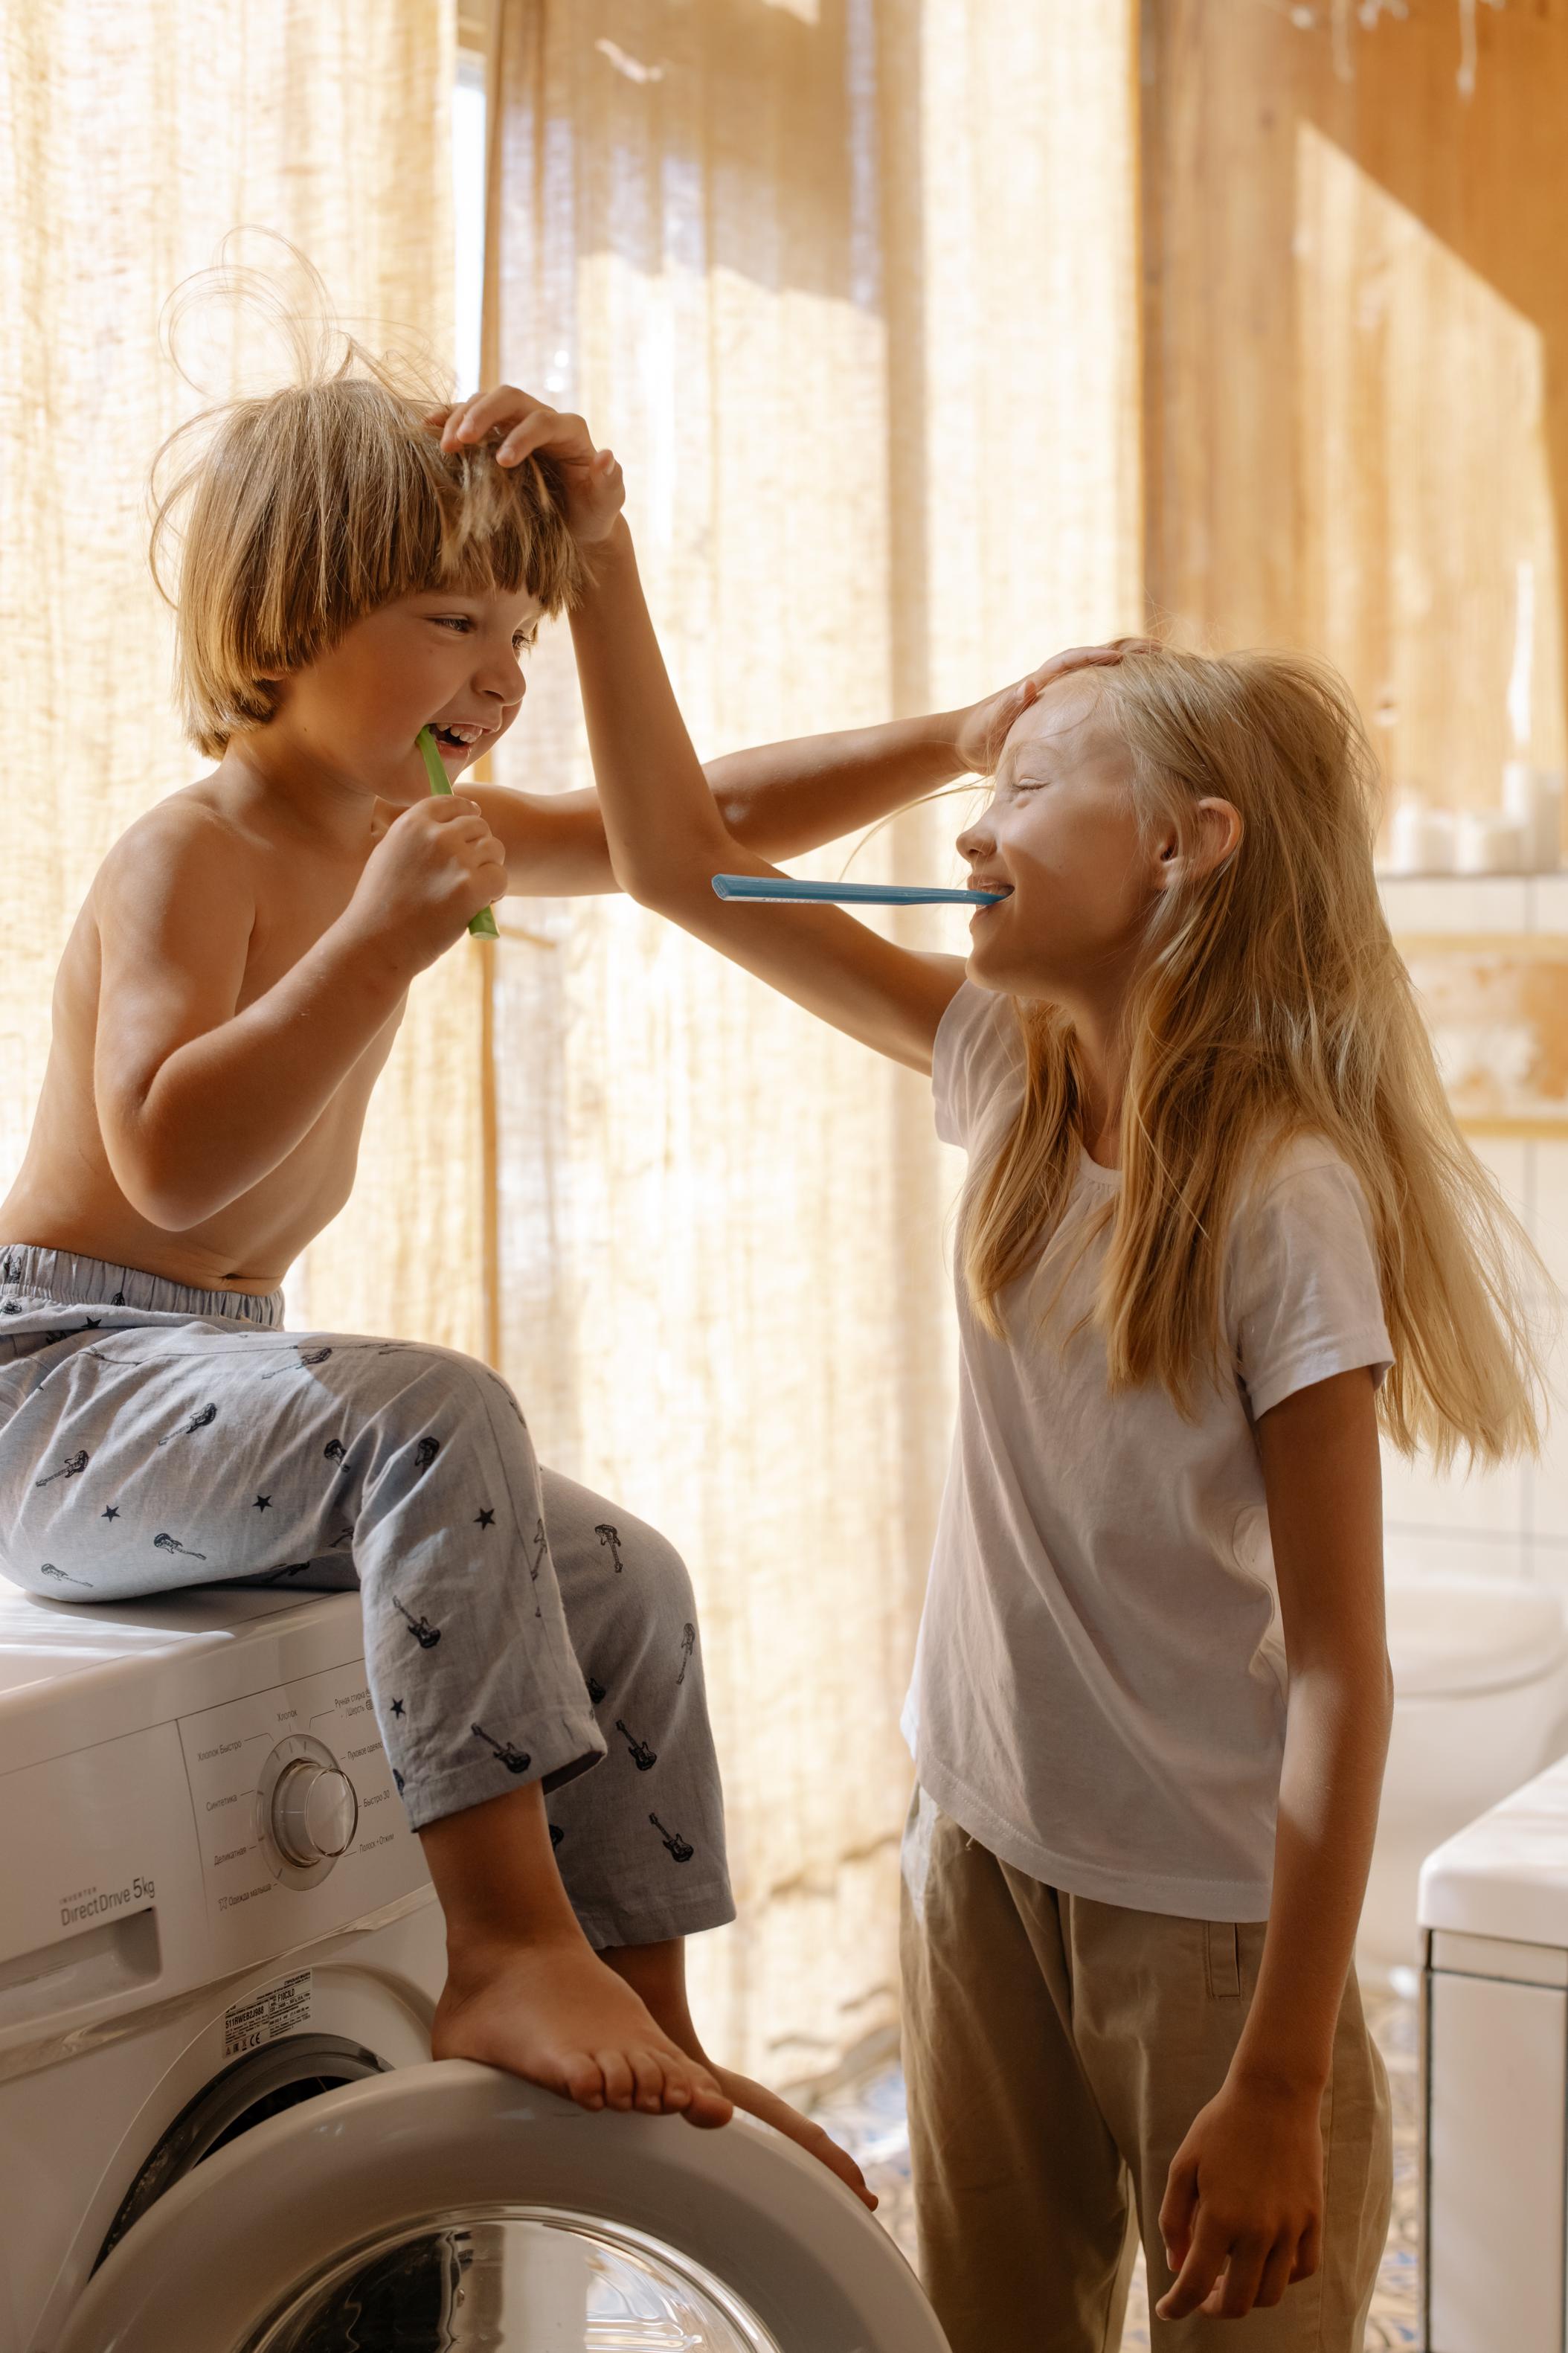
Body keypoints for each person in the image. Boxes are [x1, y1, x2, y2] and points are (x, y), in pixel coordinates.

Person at [466, 382, 1551, 2344]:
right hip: (972, 1860)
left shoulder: (1279, 1199)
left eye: (1030, 784)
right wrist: (603, 558)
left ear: (1182, 850)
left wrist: (1288, 2077)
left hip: (1212, 1938)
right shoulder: (1008, 1073)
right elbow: (673, 860)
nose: (970, 822)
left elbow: (1337, 1664)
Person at [0, 347, 1035, 2204]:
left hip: (219, 1368)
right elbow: (162, 1153)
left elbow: (690, 838)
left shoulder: (412, 835)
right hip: (60, 1381)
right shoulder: (197, 850)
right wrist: (374, 954)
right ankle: (501, 1947)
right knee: (441, 1408)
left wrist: (956, 732)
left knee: (622, 1576)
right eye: (454, 618)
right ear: (292, 620)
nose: (501, 672)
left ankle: (656, 2018)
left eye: (522, 630)